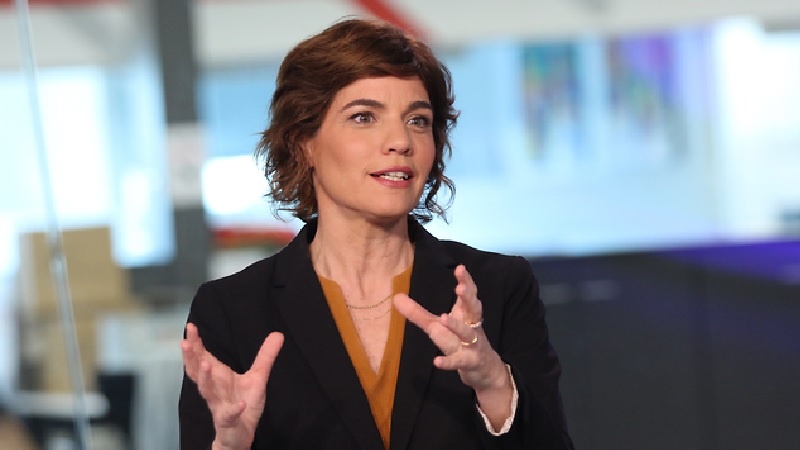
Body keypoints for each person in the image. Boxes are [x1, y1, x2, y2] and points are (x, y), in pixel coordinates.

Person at [179, 17, 574, 450]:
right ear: (302, 143)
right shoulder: (231, 311)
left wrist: (494, 383)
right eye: (364, 117)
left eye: (418, 120)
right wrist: (230, 446)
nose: (400, 141)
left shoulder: (497, 287)